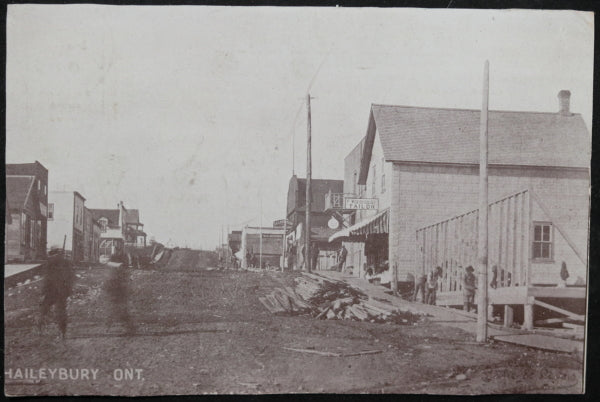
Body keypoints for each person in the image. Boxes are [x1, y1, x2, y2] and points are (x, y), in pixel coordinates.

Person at [38, 247, 74, 339]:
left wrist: (42, 292)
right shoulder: (67, 263)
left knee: (43, 309)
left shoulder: (49, 262)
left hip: (50, 290)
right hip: (62, 291)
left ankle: (40, 329)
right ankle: (62, 332)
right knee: (61, 311)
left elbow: (46, 279)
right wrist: (69, 291)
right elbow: (71, 278)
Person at [105, 251, 135, 334]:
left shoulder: (113, 267)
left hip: (115, 288)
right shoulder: (121, 268)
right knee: (121, 307)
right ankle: (126, 326)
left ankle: (110, 326)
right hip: (118, 288)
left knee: (116, 307)